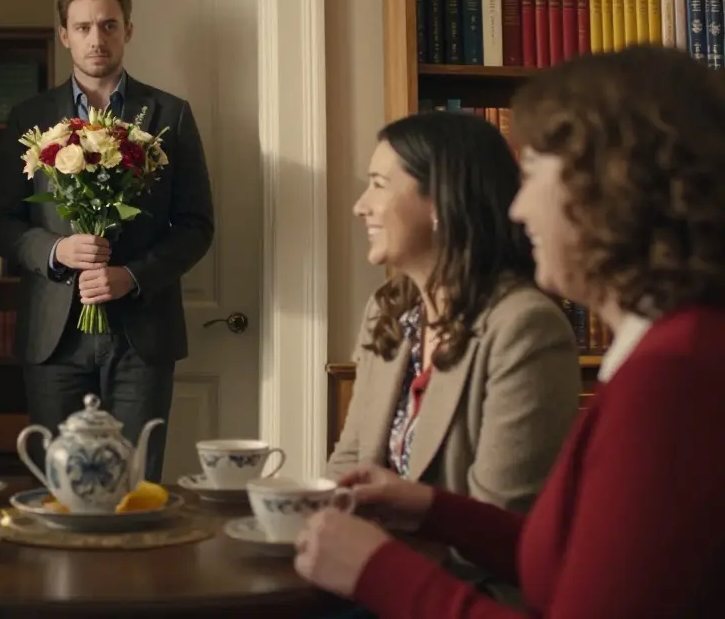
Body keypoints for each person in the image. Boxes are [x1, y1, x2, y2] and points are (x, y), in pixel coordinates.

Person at [295, 45, 725, 617]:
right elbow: (570, 560)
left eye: (532, 177)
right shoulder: (663, 353)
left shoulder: (670, 379)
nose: (517, 209)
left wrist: (377, 569)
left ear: (608, 189)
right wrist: (432, 508)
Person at [327, 112, 581, 601]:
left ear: (443, 202)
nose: (361, 206)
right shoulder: (388, 311)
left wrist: (369, 557)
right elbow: (351, 461)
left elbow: (502, 522)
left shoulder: (524, 327)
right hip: (373, 576)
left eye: (379, 184)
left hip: (469, 594)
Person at [0, 0, 214, 481]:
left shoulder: (170, 115)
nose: (96, 38)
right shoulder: (31, 115)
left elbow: (196, 225)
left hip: (143, 335)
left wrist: (132, 275)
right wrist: (56, 249)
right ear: (64, 35)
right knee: (59, 487)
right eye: (83, 26)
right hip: (54, 337)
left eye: (108, 25)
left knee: (133, 483)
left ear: (128, 30)